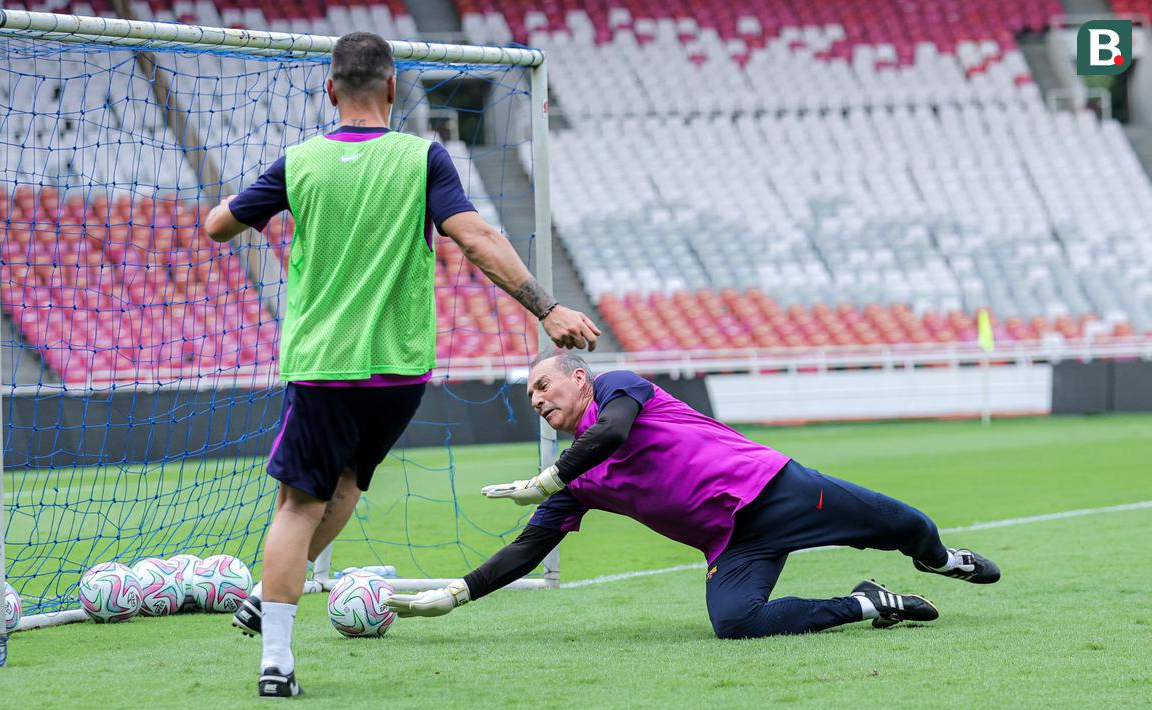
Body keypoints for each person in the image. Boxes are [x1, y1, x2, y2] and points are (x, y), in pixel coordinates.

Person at [203, 33, 601, 698]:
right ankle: (266, 594)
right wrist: (546, 308)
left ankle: (275, 658)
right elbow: (474, 239)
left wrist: (273, 201)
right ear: (393, 90)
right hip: (399, 370)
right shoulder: (423, 158)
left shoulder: (299, 162)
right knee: (349, 488)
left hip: (324, 362)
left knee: (297, 505)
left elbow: (219, 225)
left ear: (331, 91)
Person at [386, 349, 1000, 638]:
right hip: (733, 544)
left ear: (580, 377)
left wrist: (547, 478)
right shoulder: (576, 480)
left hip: (775, 489)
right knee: (734, 622)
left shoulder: (618, 388)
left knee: (907, 525)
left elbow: (613, 432)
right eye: (531, 400)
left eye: (545, 386)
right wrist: (455, 594)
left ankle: (941, 560)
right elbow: (524, 550)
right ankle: (870, 604)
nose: (540, 401)